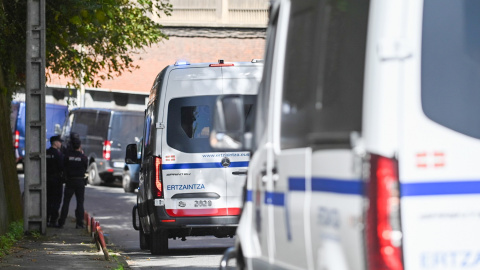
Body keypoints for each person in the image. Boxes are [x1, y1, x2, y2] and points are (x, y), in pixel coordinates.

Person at [58, 138, 88, 229]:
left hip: (70, 181)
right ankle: (79, 223)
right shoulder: (83, 157)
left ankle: (61, 222)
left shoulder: (67, 156)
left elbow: (63, 167)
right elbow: (85, 167)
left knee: (66, 202)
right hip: (80, 181)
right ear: (80, 146)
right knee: (80, 203)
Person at [46, 135, 64, 227]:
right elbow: (62, 167)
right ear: (55, 143)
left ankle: (46, 219)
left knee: (48, 200)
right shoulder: (58, 154)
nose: (61, 143)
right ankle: (53, 220)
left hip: (47, 179)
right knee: (56, 200)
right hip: (56, 180)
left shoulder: (46, 152)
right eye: (60, 142)